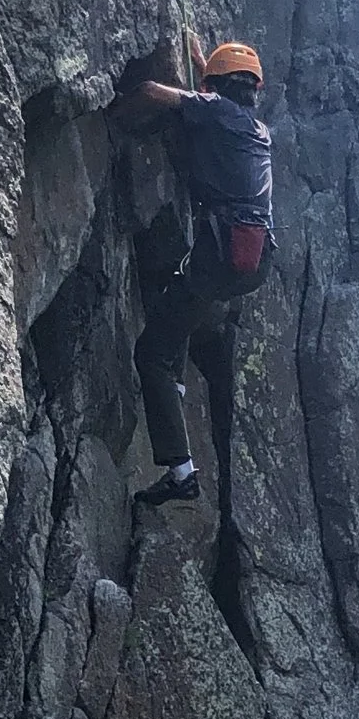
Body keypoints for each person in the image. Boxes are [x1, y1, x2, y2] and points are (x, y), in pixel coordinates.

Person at [122, 34, 275, 510]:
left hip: (222, 250)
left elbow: (152, 92)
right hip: (254, 257)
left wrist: (111, 115)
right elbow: (221, 95)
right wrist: (201, 59)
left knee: (150, 352)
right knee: (184, 292)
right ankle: (179, 382)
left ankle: (180, 471)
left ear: (217, 87)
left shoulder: (216, 110)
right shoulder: (256, 127)